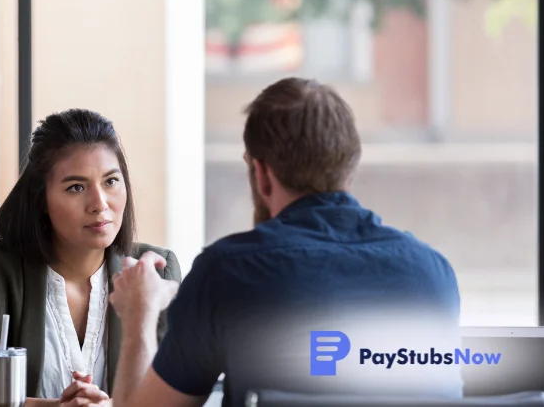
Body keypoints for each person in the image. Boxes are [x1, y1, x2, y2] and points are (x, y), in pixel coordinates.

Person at [105, 77, 463, 407]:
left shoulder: (228, 272)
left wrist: (139, 314)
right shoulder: (434, 273)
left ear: (261, 173)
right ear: (349, 165)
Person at [0, 108, 181, 407]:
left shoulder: (154, 273)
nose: (100, 204)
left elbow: (174, 397)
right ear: (42, 199)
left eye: (111, 181)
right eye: (76, 187)